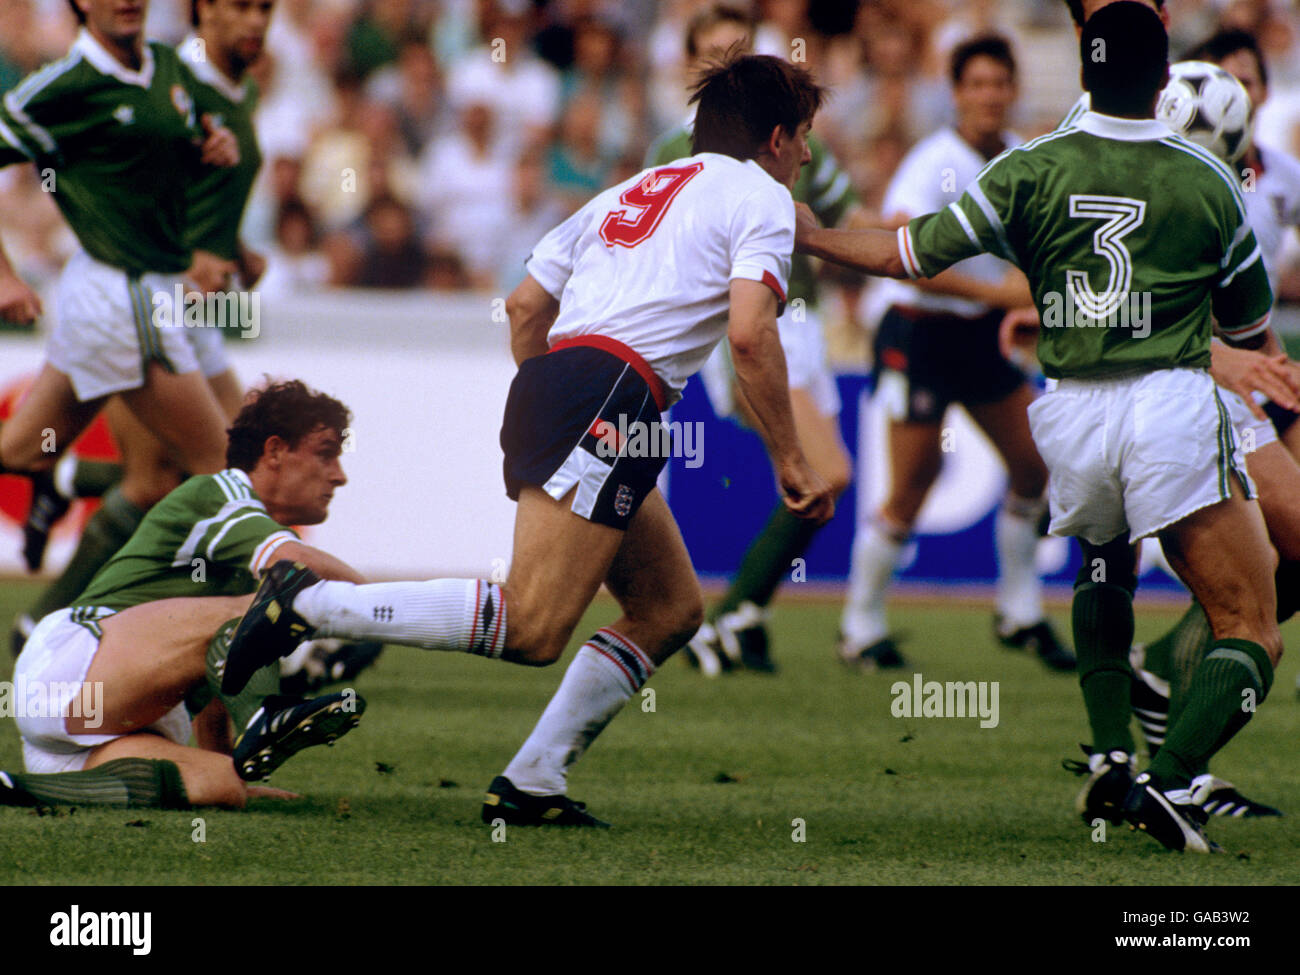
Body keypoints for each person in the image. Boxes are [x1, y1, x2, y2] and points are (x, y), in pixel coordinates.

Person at [219, 53, 835, 827]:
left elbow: (521, 307)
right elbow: (750, 335)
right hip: (613, 395)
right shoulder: (761, 198)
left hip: (568, 382)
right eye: (806, 137)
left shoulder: (628, 191)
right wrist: (789, 455)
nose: (809, 156)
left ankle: (532, 781)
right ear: (776, 138)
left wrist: (552, 394)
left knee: (670, 609)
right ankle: (312, 604)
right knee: (534, 624)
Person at [795, 3, 1281, 853]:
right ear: (1164, 80)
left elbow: (911, 254)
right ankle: (1171, 783)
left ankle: (1108, 752)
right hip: (1165, 401)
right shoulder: (1209, 179)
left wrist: (813, 235)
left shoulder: (1029, 166)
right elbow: (1245, 331)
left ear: (1083, 74)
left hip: (1068, 407)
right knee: (1251, 621)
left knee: (1104, 569)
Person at [13, 0, 275, 656]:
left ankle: (62, 597)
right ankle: (255, 665)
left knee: (24, 451)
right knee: (222, 476)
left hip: (148, 291)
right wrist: (5, 274)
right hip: (127, 292)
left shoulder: (162, 70)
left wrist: (206, 162)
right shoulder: (67, 84)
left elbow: (158, 170)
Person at [0, 380, 367, 810]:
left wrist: (224, 761)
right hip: (74, 674)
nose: (339, 475)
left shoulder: (254, 546)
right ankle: (265, 715)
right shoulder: (220, 494)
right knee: (277, 601)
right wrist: (390, 607)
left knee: (221, 785)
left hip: (98, 730)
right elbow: (298, 568)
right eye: (325, 454)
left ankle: (20, 788)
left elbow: (216, 667)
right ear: (274, 451)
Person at [838, 34, 1073, 674]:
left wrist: (1028, 296)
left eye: (1000, 82)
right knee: (913, 482)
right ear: (956, 92)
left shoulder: (1025, 158)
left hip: (980, 335)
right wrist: (997, 293)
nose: (990, 94)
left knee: (1033, 465)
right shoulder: (932, 160)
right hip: (919, 332)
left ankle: (1019, 610)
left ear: (1013, 89)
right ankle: (859, 624)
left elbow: (1045, 248)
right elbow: (902, 253)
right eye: (978, 83)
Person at [646, 2, 854, 675]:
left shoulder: (783, 132)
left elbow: (835, 218)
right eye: (714, 53)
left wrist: (914, 237)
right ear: (693, 66)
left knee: (801, 484)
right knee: (827, 472)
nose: (729, 63)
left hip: (804, 320)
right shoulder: (677, 150)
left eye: (739, 50)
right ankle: (731, 612)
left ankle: (745, 616)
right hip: (756, 326)